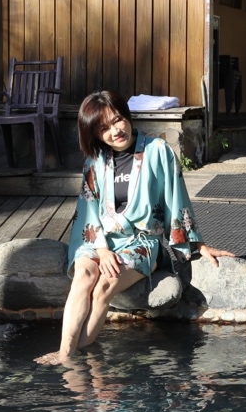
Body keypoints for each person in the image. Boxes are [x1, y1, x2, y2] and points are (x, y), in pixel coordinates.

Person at [36, 89, 232, 366]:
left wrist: (197, 245)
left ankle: (72, 361)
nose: (115, 131)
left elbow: (177, 198)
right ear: (94, 134)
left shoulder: (158, 151)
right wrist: (102, 250)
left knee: (103, 287)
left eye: (118, 120)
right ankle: (66, 354)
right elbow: (87, 211)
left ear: (127, 116)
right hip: (100, 240)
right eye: (103, 128)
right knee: (84, 276)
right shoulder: (94, 162)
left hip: (140, 242)